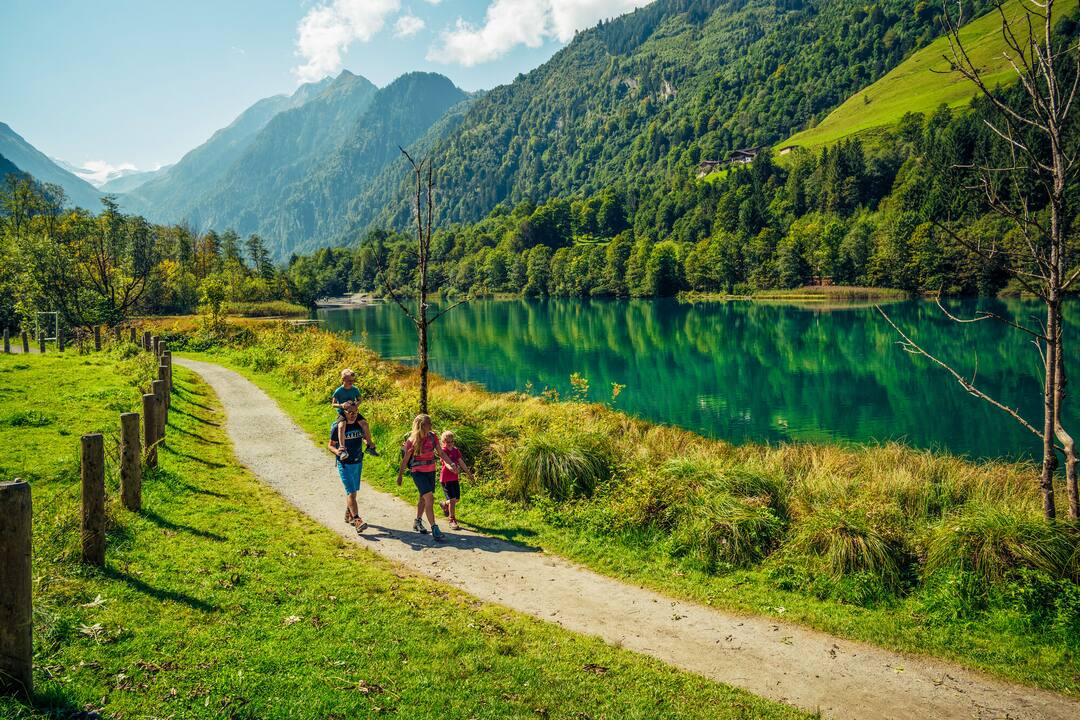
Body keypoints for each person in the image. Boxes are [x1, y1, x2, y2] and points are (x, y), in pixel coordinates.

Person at [397, 414, 460, 541]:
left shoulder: (432, 436)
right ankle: (434, 528)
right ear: (422, 425)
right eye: (429, 423)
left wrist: (451, 464)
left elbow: (441, 453)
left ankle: (417, 521)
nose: (431, 425)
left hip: (431, 471)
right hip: (418, 472)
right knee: (429, 499)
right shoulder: (412, 441)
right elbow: (405, 460)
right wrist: (400, 476)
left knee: (424, 498)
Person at [328, 401, 374, 533]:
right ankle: (357, 520)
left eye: (356, 412)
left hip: (358, 461)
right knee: (352, 492)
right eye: (350, 412)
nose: (353, 415)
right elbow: (330, 445)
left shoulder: (359, 424)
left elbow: (363, 437)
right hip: (344, 463)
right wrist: (338, 452)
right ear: (344, 412)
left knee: (353, 491)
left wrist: (368, 443)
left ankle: (348, 514)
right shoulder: (337, 427)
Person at [438, 430, 473, 531]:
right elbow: (446, 463)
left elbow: (461, 462)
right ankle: (452, 520)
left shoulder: (456, 450)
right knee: (453, 500)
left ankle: (444, 504)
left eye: (451, 441)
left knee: (456, 499)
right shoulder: (443, 451)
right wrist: (452, 469)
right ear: (443, 442)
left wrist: (469, 473)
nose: (450, 444)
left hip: (454, 478)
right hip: (446, 479)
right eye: (447, 442)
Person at [331, 369, 364, 459]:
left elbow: (360, 399)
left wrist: (356, 405)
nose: (351, 382)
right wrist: (341, 405)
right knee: (341, 426)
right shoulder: (339, 391)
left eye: (353, 380)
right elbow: (333, 404)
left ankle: (369, 445)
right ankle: (342, 448)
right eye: (349, 380)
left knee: (364, 423)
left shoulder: (355, 389)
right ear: (343, 380)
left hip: (353, 411)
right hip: (342, 413)